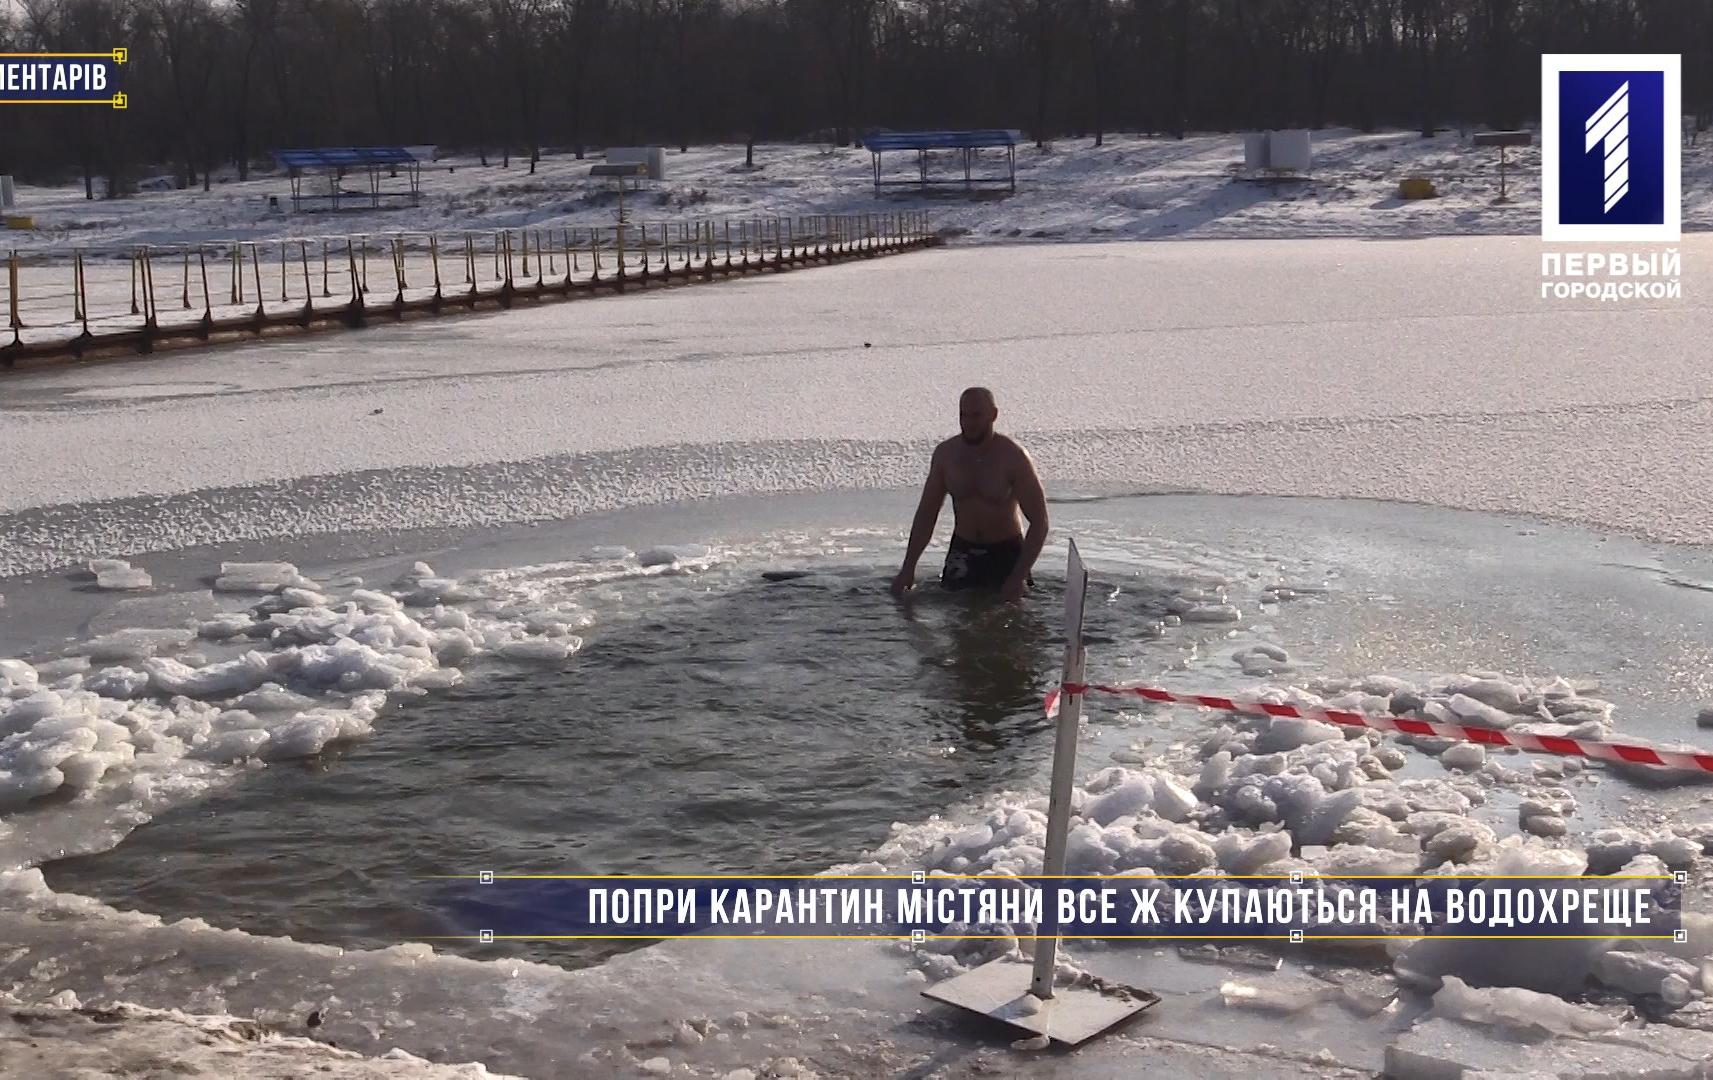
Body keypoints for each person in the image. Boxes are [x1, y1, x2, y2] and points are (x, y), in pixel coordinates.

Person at [890, 387, 1048, 602]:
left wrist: (1018, 575)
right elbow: (927, 514)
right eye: (963, 415)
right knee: (957, 625)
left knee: (1007, 624)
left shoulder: (1013, 457)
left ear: (993, 415)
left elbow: (1040, 522)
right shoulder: (946, 455)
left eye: (976, 416)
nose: (969, 423)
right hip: (963, 550)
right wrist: (908, 569)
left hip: (1006, 552)